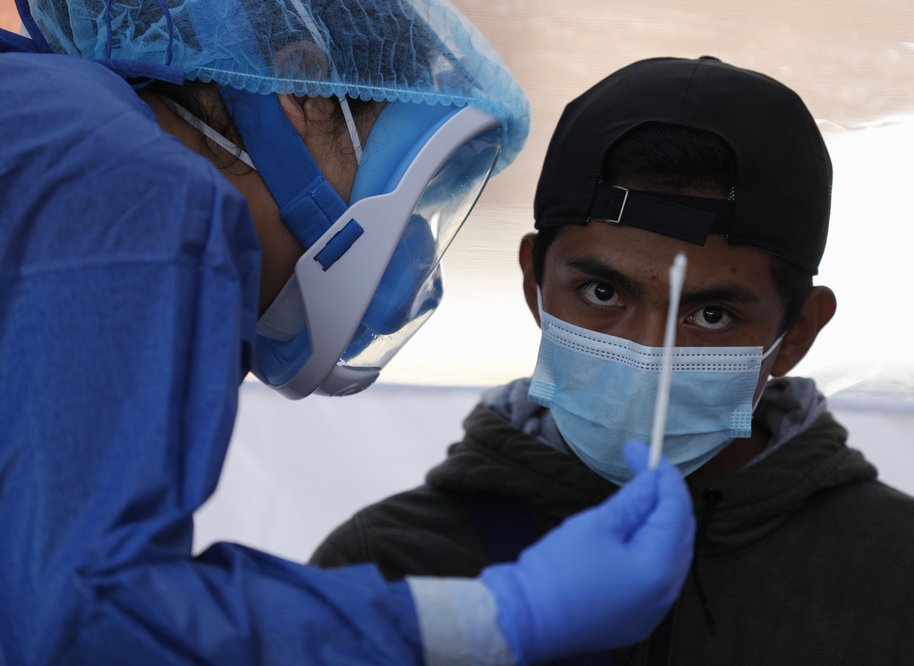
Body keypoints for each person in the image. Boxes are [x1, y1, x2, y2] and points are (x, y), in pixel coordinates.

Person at [0, 3, 697, 664]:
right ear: (300, 87)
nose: (407, 259)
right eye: (411, 182)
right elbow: (81, 624)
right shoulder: (133, 187)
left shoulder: (46, 128)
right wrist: (501, 616)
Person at [312, 56, 914, 664]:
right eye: (602, 292)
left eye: (711, 315)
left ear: (796, 333)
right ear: (534, 285)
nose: (647, 352)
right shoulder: (389, 569)